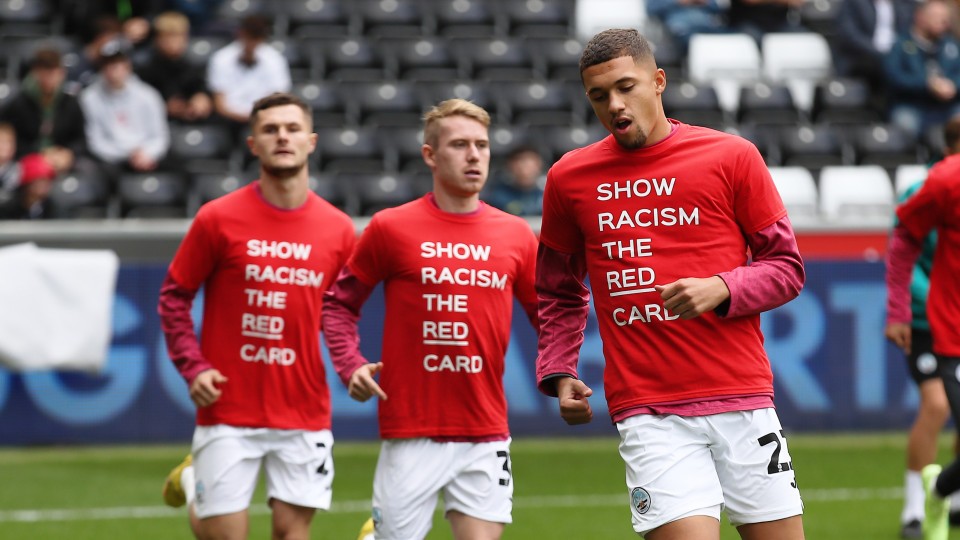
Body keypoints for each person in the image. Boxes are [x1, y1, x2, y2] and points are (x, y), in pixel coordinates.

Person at [535, 28, 806, 539]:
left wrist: (723, 287)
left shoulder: (731, 156)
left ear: (658, 81)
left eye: (626, 87)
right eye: (599, 96)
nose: (614, 104)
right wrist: (558, 367)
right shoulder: (568, 178)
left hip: (742, 399)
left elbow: (786, 268)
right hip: (648, 410)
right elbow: (558, 288)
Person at [322, 98, 539, 540]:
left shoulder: (515, 233)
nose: (474, 154)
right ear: (430, 155)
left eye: (481, 144)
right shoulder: (390, 228)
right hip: (410, 431)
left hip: (485, 429)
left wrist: (563, 372)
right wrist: (350, 364)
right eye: (459, 144)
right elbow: (339, 304)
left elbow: (550, 313)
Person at [156, 92, 356, 540]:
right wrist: (194, 368)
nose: (282, 136)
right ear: (253, 145)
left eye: (291, 128)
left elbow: (342, 313)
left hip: (303, 408)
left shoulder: (340, 229)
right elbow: (174, 297)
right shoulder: (217, 219)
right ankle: (194, 484)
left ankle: (195, 481)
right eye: (270, 129)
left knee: (292, 533)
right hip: (228, 406)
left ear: (311, 141)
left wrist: (351, 366)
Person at [886, 112, 960, 540]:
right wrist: (904, 308)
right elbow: (902, 245)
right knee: (937, 406)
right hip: (927, 318)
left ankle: (951, 494)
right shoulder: (932, 186)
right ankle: (916, 507)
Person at [79, 37, 170, 182]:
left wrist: (146, 154)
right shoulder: (89, 98)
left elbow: (160, 136)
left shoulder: (148, 95)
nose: (113, 69)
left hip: (146, 155)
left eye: (118, 63)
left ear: (128, 64)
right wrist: (127, 155)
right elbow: (95, 141)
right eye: (108, 63)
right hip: (111, 161)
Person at [0, 47, 87, 175]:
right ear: (35, 73)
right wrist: (40, 155)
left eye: (53, 72)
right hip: (28, 159)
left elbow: (80, 139)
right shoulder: (19, 104)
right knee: (38, 174)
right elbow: (12, 140)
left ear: (62, 73)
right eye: (44, 72)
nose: (49, 78)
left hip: (62, 158)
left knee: (87, 172)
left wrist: (69, 153)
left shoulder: (70, 103)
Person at [883, 0, 960, 140]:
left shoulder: (951, 45)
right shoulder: (901, 44)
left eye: (945, 17)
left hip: (947, 106)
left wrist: (953, 84)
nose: (943, 22)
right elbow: (893, 77)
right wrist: (927, 84)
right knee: (905, 124)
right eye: (937, 16)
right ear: (920, 17)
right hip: (912, 105)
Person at [207, 14, 291, 127]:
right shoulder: (221, 58)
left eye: (256, 38)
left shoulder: (275, 59)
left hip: (264, 118)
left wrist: (258, 116)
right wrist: (244, 117)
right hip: (229, 121)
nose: (252, 43)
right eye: (249, 37)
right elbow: (220, 104)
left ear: (262, 38)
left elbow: (278, 97)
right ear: (240, 34)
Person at [136, 11, 213, 123]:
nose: (174, 42)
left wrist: (201, 98)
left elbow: (201, 88)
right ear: (157, 39)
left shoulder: (192, 65)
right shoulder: (145, 68)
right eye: (169, 37)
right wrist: (163, 106)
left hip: (190, 120)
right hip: (156, 122)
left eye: (179, 36)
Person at [833, 0, 916, 96]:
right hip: (863, 58)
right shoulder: (855, 2)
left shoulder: (902, 4)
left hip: (893, 55)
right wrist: (879, 52)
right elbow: (849, 35)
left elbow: (908, 33)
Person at [646, 0, 730, 53]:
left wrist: (704, 2)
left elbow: (721, 6)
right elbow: (651, 8)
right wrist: (680, 1)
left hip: (710, 28)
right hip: (681, 30)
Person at [484, 144, 546, 216]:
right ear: (510, 165)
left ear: (539, 165)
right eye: (520, 160)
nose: (524, 167)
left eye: (529, 161)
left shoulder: (546, 196)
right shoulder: (498, 196)